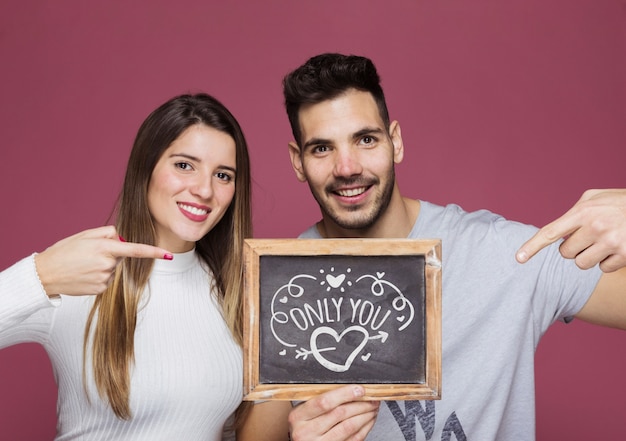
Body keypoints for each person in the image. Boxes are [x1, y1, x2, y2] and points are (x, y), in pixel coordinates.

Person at [240, 53, 626, 440]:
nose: (347, 167)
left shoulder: (503, 253)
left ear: (396, 141)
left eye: (366, 139)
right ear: (297, 161)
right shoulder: (281, 284)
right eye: (322, 148)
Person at [0, 93, 254, 440]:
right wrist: (40, 274)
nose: (204, 190)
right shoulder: (77, 276)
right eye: (184, 165)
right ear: (145, 168)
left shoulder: (234, 293)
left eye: (223, 175)